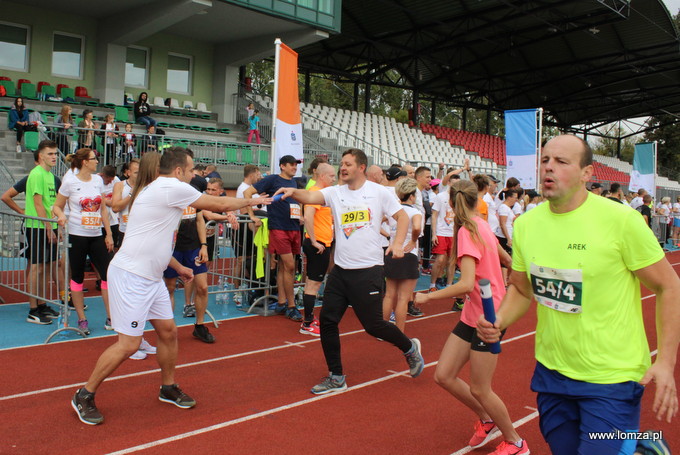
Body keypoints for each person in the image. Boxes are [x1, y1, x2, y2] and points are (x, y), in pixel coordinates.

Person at [477, 135, 680, 455]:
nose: (549, 168)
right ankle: (638, 449)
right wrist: (499, 320)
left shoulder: (621, 220)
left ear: (587, 173)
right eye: (545, 160)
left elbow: (669, 286)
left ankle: (638, 447)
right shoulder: (527, 225)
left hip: (613, 377)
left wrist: (666, 361)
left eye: (561, 162)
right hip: (552, 375)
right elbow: (521, 287)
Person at [70, 148, 271, 426]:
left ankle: (167, 386)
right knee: (128, 344)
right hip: (131, 276)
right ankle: (84, 393)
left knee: (168, 331)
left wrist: (178, 268)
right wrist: (255, 200)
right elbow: (218, 204)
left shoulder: (162, 189)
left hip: (149, 277)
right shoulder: (170, 187)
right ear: (178, 171)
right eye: (190, 171)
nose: (193, 175)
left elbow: (156, 239)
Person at [274, 148, 424, 395]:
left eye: (347, 164)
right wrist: (293, 192)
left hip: (369, 270)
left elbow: (402, 218)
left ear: (361, 167)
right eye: (341, 164)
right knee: (328, 321)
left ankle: (409, 348)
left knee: (374, 325)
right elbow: (311, 197)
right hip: (341, 272)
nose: (342, 168)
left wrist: (397, 244)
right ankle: (336, 376)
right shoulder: (335, 193)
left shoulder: (377, 193)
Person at [415, 180, 527, 455]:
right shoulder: (481, 223)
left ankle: (515, 442)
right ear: (476, 201)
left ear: (452, 204)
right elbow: (503, 256)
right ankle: (487, 418)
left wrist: (427, 296)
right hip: (472, 314)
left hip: (490, 317)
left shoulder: (468, 230)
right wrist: (512, 266)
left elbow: (465, 284)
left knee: (480, 388)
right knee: (444, 375)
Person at [53, 149, 115, 335]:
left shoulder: (97, 181)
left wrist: (108, 233)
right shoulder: (70, 181)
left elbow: (103, 208)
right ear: (84, 162)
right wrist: (62, 215)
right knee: (77, 277)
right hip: (77, 235)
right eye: (94, 159)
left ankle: (111, 316)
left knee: (107, 276)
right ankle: (81, 319)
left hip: (96, 235)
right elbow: (56, 205)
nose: (97, 161)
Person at [244, 155, 304, 322]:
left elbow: (296, 202)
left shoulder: (294, 183)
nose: (294, 167)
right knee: (290, 267)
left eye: (296, 164)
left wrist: (300, 215)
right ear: (282, 166)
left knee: (285, 267)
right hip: (278, 228)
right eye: (292, 164)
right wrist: (252, 215)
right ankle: (292, 306)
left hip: (294, 228)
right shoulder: (272, 180)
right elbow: (247, 192)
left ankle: (281, 302)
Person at [23, 141, 62, 324]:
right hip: (37, 226)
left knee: (47, 267)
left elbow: (51, 204)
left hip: (49, 225)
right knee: (37, 267)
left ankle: (41, 303)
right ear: (41, 156)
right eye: (50, 154)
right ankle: (33, 309)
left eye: (55, 153)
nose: (54, 157)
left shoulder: (49, 175)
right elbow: (38, 204)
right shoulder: (36, 174)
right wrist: (48, 228)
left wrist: (56, 227)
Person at [300, 163, 336, 336]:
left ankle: (308, 319)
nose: (334, 179)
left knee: (312, 283)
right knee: (313, 284)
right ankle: (307, 323)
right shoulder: (315, 192)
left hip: (322, 242)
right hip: (318, 244)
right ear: (322, 176)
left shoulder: (322, 194)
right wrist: (314, 241)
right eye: (331, 176)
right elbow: (307, 217)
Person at [383, 178, 422, 331]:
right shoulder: (415, 212)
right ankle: (399, 332)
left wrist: (389, 237)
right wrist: (413, 240)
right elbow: (417, 227)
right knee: (403, 298)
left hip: (392, 252)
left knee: (389, 295)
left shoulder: (395, 211)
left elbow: (377, 221)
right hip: (408, 253)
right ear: (412, 196)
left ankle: (384, 331)